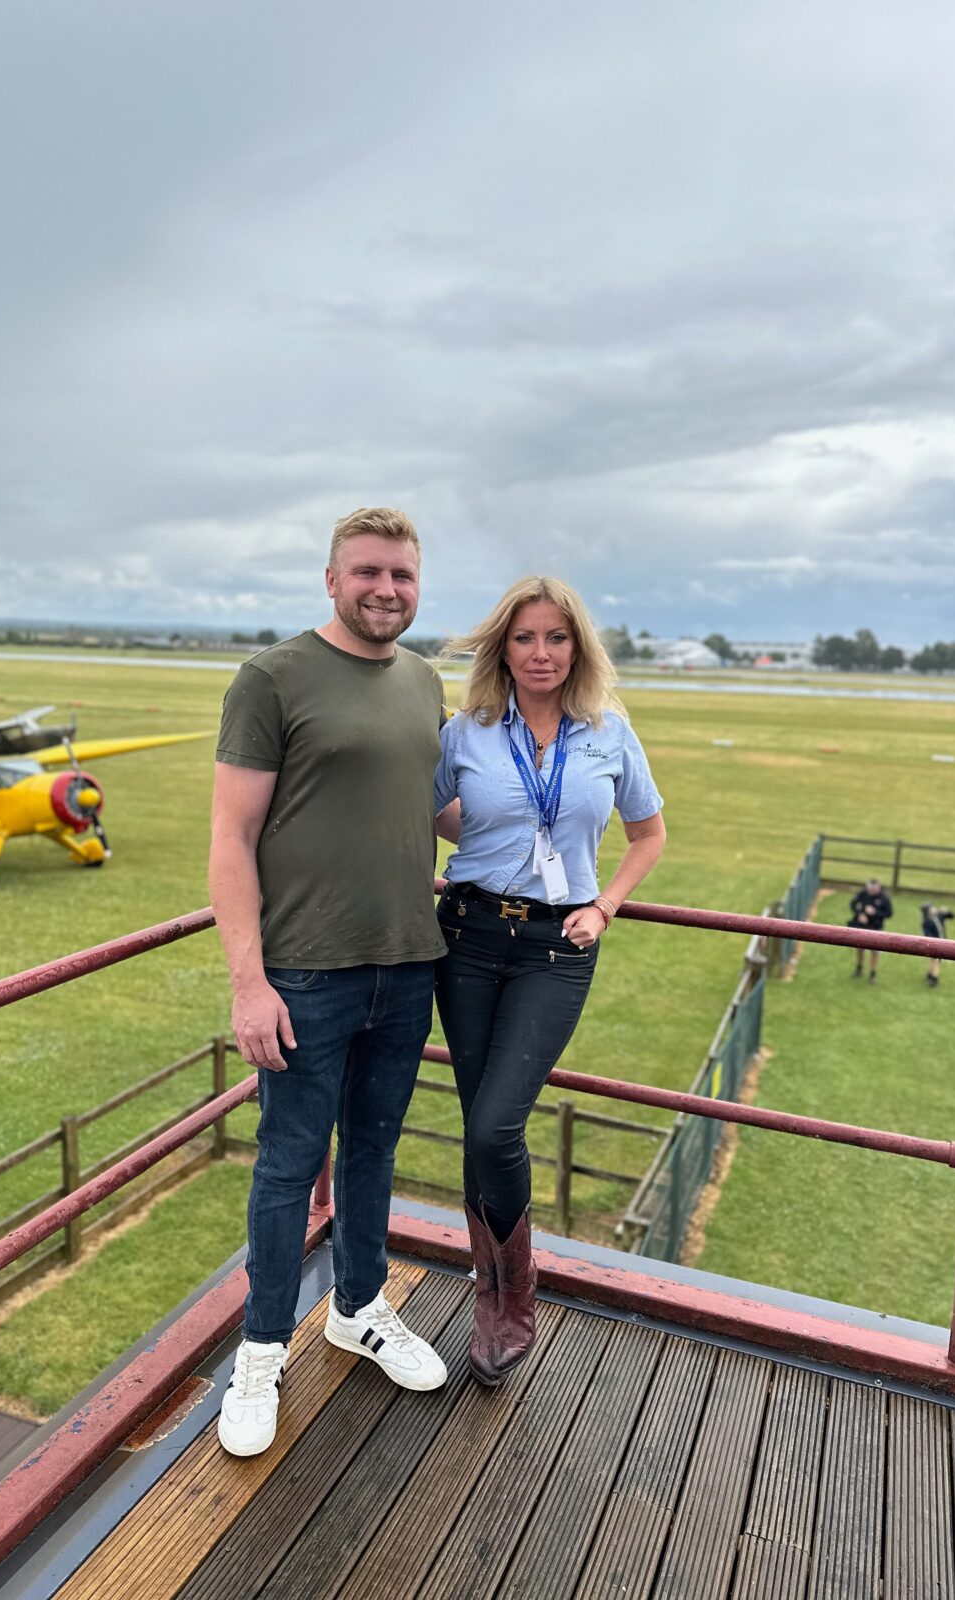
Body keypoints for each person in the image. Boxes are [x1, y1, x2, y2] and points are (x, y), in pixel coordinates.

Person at [209, 507, 448, 1457]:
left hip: (407, 960)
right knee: (285, 1164)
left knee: (375, 1153)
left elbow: (438, 808)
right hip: (306, 972)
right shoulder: (272, 678)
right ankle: (263, 1349)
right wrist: (248, 982)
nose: (385, 589)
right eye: (368, 573)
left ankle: (356, 1308)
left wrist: (561, 799)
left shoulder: (427, 680)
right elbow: (230, 838)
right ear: (331, 578)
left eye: (401, 574)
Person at [433, 576, 665, 1387]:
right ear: (504, 647)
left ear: (578, 648)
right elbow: (431, 811)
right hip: (464, 937)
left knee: (497, 1125)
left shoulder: (608, 733)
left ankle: (516, 1297)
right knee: (475, 1122)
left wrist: (604, 905)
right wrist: (485, 827)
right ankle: (485, 1294)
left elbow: (649, 833)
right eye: (525, 638)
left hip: (556, 946)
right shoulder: (464, 733)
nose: (540, 653)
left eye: (555, 638)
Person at [848, 878, 893, 981]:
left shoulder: (884, 898)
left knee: (875, 952)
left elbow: (889, 913)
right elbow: (852, 904)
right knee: (859, 949)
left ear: (878, 888)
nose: (871, 891)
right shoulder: (863, 894)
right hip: (862, 927)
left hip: (876, 928)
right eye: (869, 889)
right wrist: (859, 914)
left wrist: (875, 912)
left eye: (873, 889)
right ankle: (859, 968)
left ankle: (873, 973)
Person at [921, 904, 954, 987]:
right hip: (935, 944)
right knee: (936, 961)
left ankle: (930, 974)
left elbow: (952, 916)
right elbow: (927, 935)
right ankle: (934, 978)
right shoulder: (926, 922)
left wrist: (947, 911)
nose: (934, 908)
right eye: (931, 907)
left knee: (934, 960)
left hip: (942, 942)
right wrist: (933, 943)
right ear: (928, 911)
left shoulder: (939, 916)